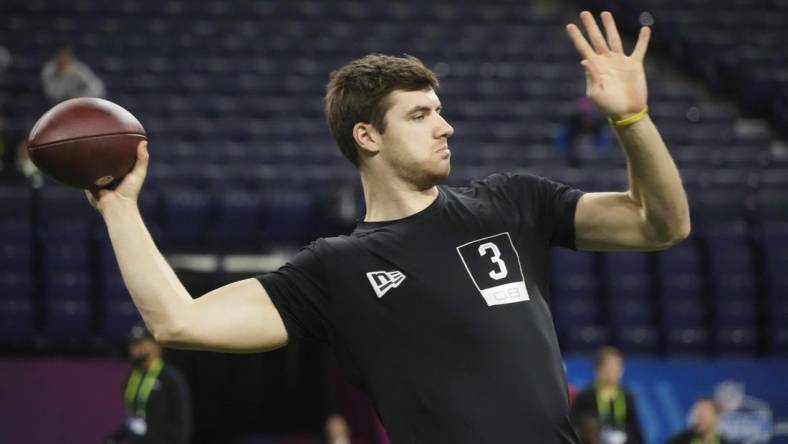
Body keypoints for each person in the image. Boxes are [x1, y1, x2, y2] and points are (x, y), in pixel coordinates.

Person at [87, 11, 689, 444]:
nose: (445, 126)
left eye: (441, 110)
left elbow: (660, 224)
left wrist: (632, 119)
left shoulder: (511, 203)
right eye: (421, 114)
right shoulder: (335, 268)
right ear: (367, 136)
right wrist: (119, 207)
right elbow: (178, 320)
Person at [104, 324, 192, 444]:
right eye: (132, 343)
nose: (134, 348)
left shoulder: (170, 378)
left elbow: (182, 422)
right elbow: (133, 417)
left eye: (140, 343)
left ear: (156, 346)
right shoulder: (132, 375)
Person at [571, 347, 644, 444]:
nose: (614, 370)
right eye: (609, 366)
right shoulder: (585, 396)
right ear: (598, 369)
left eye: (618, 366)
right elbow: (576, 425)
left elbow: (635, 429)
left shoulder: (627, 396)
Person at [41, 45, 105, 104]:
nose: (64, 58)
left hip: (80, 103)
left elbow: (97, 89)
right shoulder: (49, 70)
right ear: (56, 56)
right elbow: (52, 95)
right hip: (56, 106)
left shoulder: (78, 67)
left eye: (67, 55)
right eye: (62, 55)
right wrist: (63, 76)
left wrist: (80, 98)